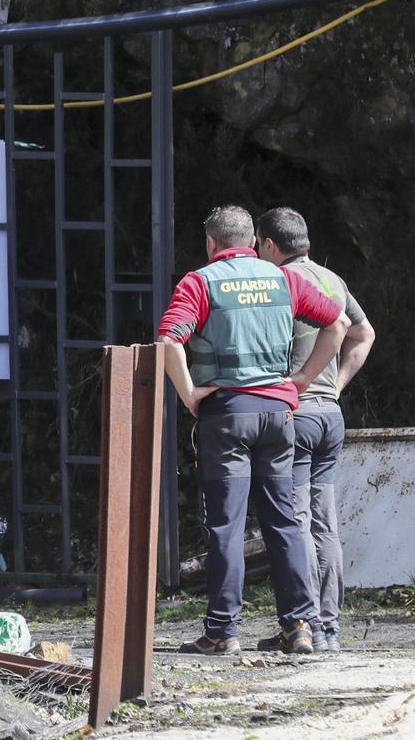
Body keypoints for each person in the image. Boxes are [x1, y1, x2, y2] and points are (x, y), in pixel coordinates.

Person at [157, 205, 348, 655]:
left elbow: (168, 340)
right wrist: (302, 380)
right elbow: (338, 323)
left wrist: (189, 393)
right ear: (253, 242)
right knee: (284, 521)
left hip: (227, 415)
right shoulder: (283, 279)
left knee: (227, 525)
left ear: (211, 243)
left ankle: (223, 632)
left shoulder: (200, 282)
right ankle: (299, 627)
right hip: (279, 417)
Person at [256, 207, 374, 653]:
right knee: (325, 523)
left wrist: (301, 380)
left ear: (270, 245)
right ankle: (330, 628)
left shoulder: (278, 283)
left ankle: (303, 624)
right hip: (329, 416)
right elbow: (364, 334)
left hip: (297, 414)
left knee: (297, 521)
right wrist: (336, 385)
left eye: (258, 246)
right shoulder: (333, 281)